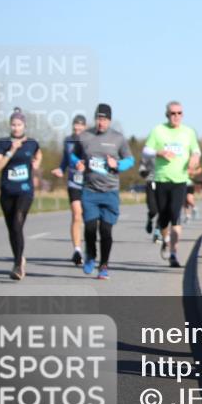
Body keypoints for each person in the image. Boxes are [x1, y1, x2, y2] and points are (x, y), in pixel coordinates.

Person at [71, 103, 135, 280]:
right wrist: (78, 163)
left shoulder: (118, 138)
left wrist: (118, 164)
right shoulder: (85, 137)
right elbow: (73, 155)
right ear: (95, 119)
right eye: (99, 118)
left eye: (104, 119)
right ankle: (91, 255)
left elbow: (130, 160)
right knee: (90, 229)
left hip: (110, 192)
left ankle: (104, 265)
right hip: (90, 191)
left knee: (106, 231)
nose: (101, 122)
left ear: (110, 120)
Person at [143, 101, 201, 268]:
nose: (176, 116)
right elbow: (146, 151)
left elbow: (195, 150)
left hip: (180, 180)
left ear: (182, 115)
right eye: (173, 113)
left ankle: (174, 254)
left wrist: (194, 158)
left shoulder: (188, 132)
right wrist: (159, 152)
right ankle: (165, 239)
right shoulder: (158, 130)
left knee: (175, 216)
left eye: (179, 113)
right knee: (164, 217)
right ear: (167, 115)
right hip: (161, 180)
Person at [0, 108, 42, 280]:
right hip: (7, 192)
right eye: (13, 124)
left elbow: (38, 154)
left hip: (25, 192)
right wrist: (11, 151)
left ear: (24, 126)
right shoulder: (2, 143)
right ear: (10, 125)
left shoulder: (32, 143)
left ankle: (17, 266)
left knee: (17, 222)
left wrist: (37, 163)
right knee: (12, 230)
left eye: (19, 124)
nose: (16, 128)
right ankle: (19, 258)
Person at [51, 114, 87, 265]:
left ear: (85, 127)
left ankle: (89, 247)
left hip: (89, 184)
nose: (77, 128)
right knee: (77, 215)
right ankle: (77, 250)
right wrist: (60, 169)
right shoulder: (68, 141)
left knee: (90, 219)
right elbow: (65, 159)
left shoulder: (90, 141)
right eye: (75, 126)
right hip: (74, 183)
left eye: (80, 126)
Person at [138, 150, 161, 242]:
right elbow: (142, 166)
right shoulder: (149, 153)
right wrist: (143, 172)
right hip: (151, 183)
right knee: (153, 210)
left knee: (162, 210)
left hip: (165, 183)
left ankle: (157, 233)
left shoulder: (171, 152)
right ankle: (150, 218)